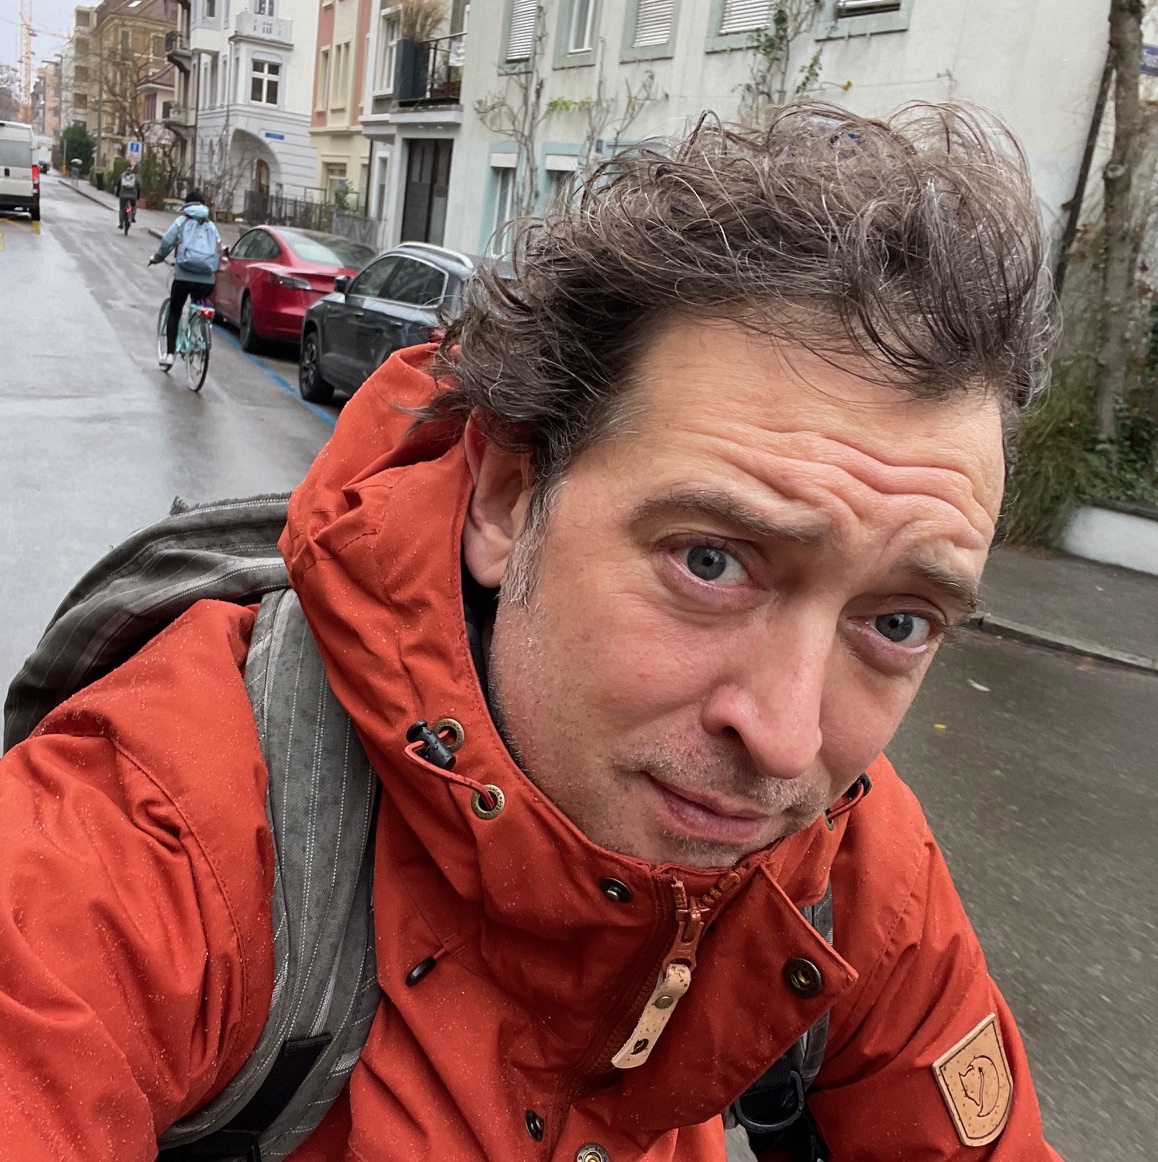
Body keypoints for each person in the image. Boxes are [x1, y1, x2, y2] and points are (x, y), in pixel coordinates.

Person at [0, 105, 1064, 1161]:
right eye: (711, 561)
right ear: (508, 499)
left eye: (896, 620)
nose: (787, 741)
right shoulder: (165, 829)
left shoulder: (849, 873)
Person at [147, 189, 221, 369]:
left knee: (175, 310)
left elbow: (167, 242)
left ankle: (170, 354)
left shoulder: (181, 222)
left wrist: (157, 258)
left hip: (183, 276)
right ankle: (199, 334)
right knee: (200, 306)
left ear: (187, 205)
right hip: (206, 280)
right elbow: (218, 249)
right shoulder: (211, 226)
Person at [115, 162, 139, 229]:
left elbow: (119, 185)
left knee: (122, 209)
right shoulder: (135, 177)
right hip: (133, 196)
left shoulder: (122, 176)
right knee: (133, 206)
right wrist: (138, 196)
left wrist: (117, 193)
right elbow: (139, 187)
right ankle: (132, 217)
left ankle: (121, 224)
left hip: (123, 196)